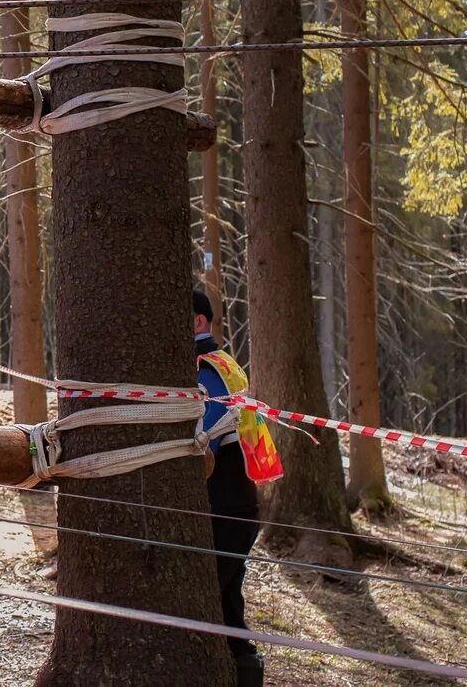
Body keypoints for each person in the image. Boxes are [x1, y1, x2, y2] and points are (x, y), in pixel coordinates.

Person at [194, 288, 281, 687]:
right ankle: (244, 667)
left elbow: (204, 435)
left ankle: (240, 667)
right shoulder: (222, 361)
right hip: (237, 500)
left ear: (198, 322)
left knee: (207, 591)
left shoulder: (205, 367)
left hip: (228, 500)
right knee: (226, 600)